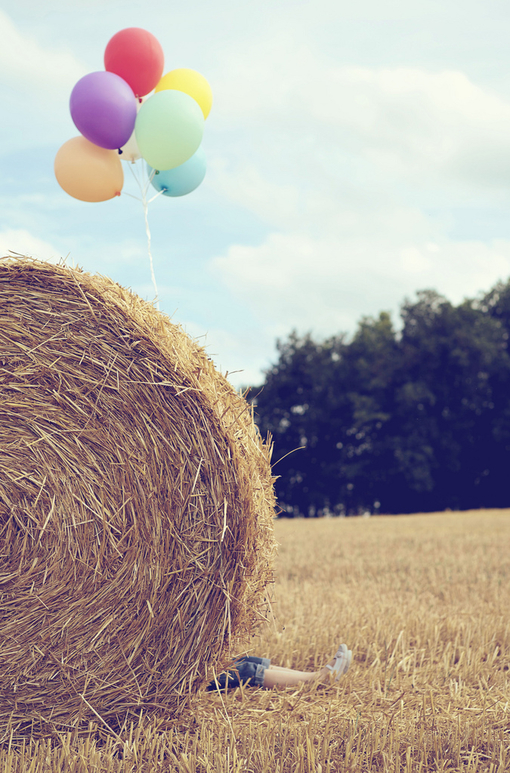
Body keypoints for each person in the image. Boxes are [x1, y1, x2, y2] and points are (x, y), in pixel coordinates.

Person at [207, 643, 352, 691]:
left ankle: (317, 675)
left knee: (240, 661)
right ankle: (316, 679)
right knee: (243, 671)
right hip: (187, 679)